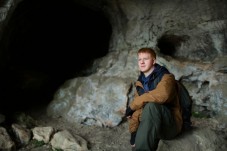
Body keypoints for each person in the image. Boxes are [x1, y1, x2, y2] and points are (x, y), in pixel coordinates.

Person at [125, 48, 183, 151]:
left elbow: (162, 95)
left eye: (146, 59)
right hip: (152, 124)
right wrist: (133, 133)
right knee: (140, 109)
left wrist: (133, 105)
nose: (142, 62)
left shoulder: (166, 77)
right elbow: (137, 110)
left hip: (170, 125)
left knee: (151, 106)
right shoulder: (140, 83)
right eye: (139, 59)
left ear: (153, 61)